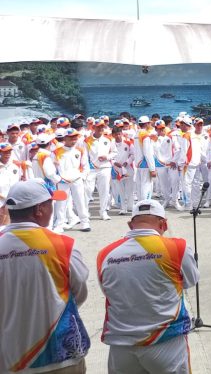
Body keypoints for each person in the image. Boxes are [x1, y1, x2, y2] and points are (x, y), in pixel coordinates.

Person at [97, 199, 199, 373]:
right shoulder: (176, 247)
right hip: (166, 341)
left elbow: (108, 291)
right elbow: (191, 281)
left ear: (130, 225)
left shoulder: (105, 254)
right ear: (163, 224)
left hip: (121, 346)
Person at [0, 179, 90, 373]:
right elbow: (80, 291)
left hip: (9, 359)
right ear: (39, 209)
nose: (52, 209)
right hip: (60, 356)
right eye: (50, 203)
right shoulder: (63, 245)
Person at [84, 118, 115, 221]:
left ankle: (103, 212)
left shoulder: (109, 139)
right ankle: (85, 212)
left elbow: (114, 152)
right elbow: (84, 156)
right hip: (91, 168)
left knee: (104, 190)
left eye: (102, 127)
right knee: (88, 190)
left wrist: (107, 157)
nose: (101, 128)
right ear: (93, 127)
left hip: (105, 167)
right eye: (98, 127)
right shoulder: (87, 140)